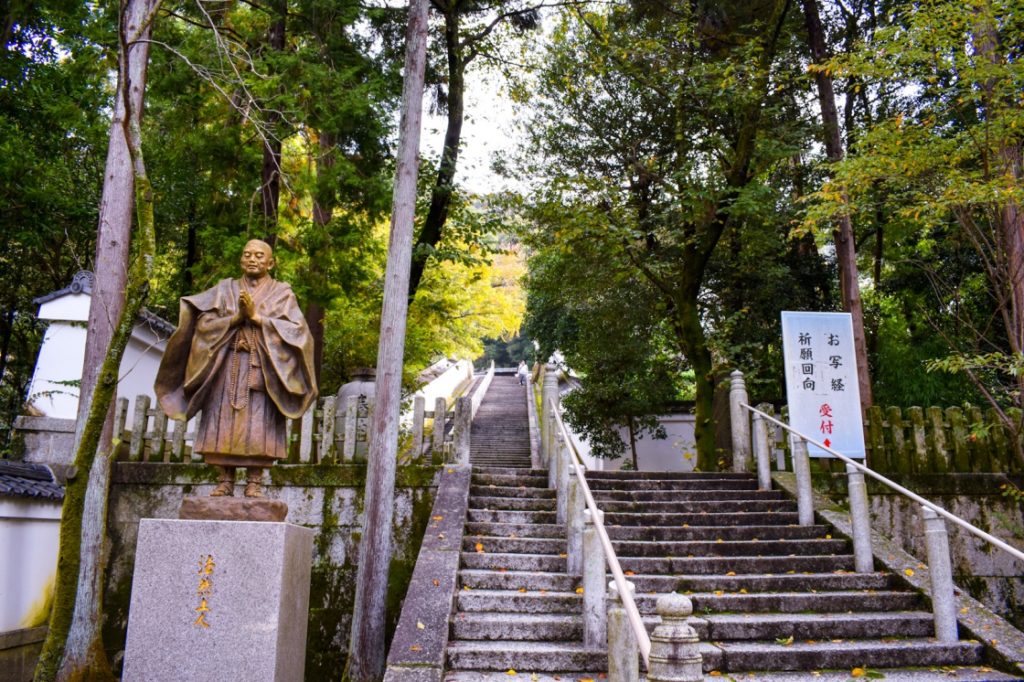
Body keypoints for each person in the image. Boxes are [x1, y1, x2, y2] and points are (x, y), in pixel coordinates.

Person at [155, 239, 317, 498]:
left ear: (271, 262)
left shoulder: (282, 293)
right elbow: (204, 323)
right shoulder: (224, 289)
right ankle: (224, 479)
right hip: (226, 366)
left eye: (259, 256)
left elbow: (298, 332)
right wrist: (235, 319)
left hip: (263, 369)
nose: (252, 259)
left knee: (260, 423)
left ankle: (255, 481)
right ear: (241, 260)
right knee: (222, 420)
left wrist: (257, 319)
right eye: (247, 255)